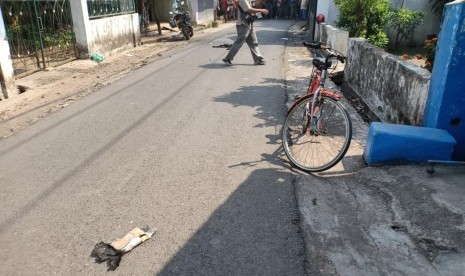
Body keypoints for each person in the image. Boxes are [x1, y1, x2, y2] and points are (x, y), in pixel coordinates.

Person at [222, 0, 269, 66]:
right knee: (239, 42)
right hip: (243, 24)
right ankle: (228, 58)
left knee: (253, 42)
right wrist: (262, 10)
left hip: (248, 23)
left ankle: (257, 59)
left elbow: (252, 12)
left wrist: (260, 12)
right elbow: (249, 10)